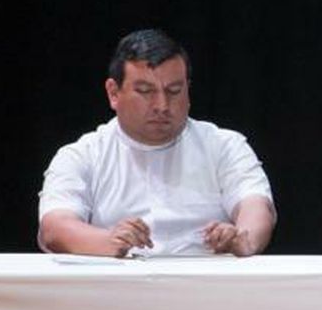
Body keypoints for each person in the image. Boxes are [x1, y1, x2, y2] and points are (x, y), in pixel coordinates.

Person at [38, 28, 276, 257]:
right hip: (115, 290)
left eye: (174, 91)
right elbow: (55, 227)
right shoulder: (82, 155)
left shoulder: (224, 146)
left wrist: (243, 239)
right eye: (145, 91)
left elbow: (256, 206)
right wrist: (107, 240)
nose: (162, 105)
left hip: (209, 289)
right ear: (113, 93)